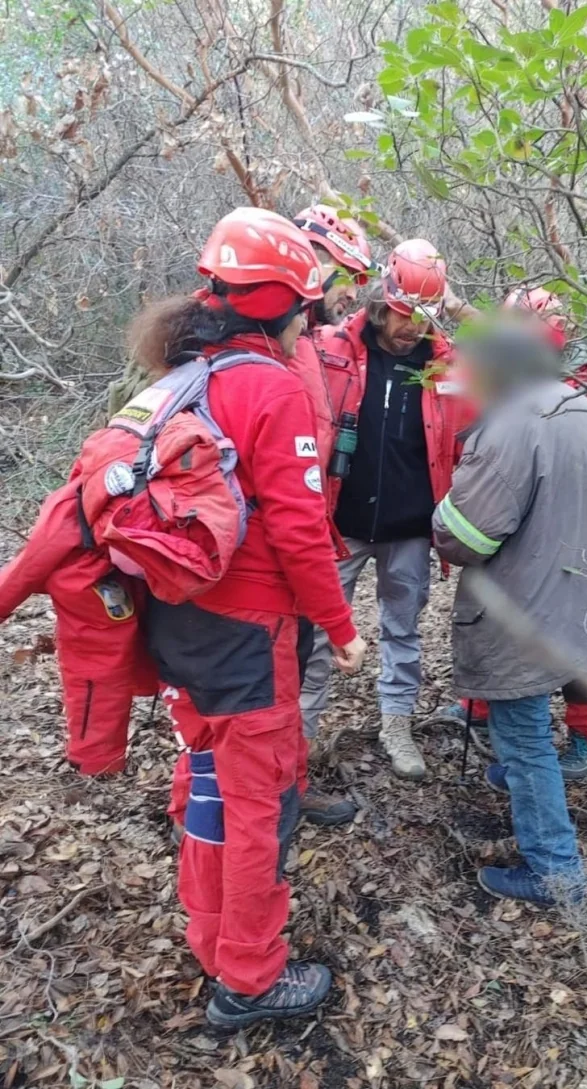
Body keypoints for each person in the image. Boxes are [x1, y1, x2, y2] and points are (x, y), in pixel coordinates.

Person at [134, 207, 366, 1028]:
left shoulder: (178, 378)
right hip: (247, 633)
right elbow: (302, 533)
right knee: (257, 802)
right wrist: (340, 628)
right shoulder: (268, 385)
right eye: (307, 301)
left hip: (179, 621)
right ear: (283, 306)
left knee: (208, 785)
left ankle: (210, 931)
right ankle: (251, 976)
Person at [433, 319, 587, 905]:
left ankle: (555, 870)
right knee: (529, 725)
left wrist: (440, 516)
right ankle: (525, 790)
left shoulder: (512, 425)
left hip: (526, 604)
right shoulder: (580, 407)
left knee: (522, 733)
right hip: (579, 599)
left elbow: (466, 537)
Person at [438, 287, 587, 782]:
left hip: (583, 548)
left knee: (582, 651)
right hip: (521, 540)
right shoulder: (509, 391)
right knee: (500, 624)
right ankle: (482, 711)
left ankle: (586, 736)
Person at [299, 239, 464, 780]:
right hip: (338, 522)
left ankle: (397, 724)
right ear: (379, 302)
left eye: (423, 315)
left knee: (403, 630)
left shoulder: (448, 368)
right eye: (402, 312)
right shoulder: (331, 348)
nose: (411, 326)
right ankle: (300, 730)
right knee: (320, 629)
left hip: (411, 526)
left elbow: (475, 430)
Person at [290, 204, 375, 826]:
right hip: (267, 552)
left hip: (304, 532)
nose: (346, 291)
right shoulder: (265, 347)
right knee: (250, 689)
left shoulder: (303, 344)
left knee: (293, 667)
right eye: (340, 270)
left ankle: (286, 781)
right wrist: (340, 620)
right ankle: (225, 808)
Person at [0, 483, 157, 775]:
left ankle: (96, 766)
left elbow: (35, 558)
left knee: (94, 676)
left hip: (91, 583)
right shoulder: (159, 467)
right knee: (111, 671)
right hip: (130, 579)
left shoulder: (81, 491)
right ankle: (98, 764)